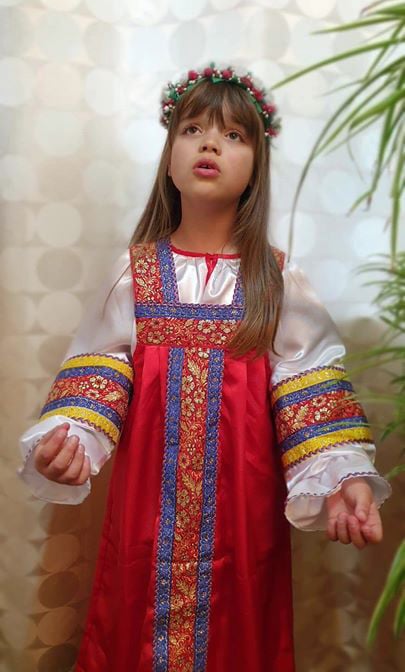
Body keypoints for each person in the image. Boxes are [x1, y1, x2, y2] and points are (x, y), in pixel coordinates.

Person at [18, 63, 391, 672]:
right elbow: (100, 369)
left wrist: (342, 475)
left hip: (242, 523)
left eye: (233, 135)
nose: (210, 144)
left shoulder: (275, 281)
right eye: (193, 129)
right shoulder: (134, 274)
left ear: (255, 167)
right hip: (146, 515)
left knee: (238, 634)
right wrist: (71, 439)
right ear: (170, 159)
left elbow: (308, 386)